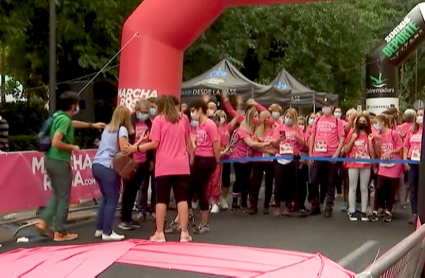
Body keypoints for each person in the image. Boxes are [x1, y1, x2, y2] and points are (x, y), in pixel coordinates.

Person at [35, 91, 105, 241]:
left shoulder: (58, 116)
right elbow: (56, 141)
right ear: (73, 105)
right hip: (60, 161)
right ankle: (60, 231)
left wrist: (91, 125)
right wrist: (73, 147)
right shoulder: (65, 120)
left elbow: (71, 124)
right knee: (64, 196)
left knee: (58, 194)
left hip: (50, 160)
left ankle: (43, 222)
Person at [137, 95, 192, 243]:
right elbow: (188, 141)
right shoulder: (184, 119)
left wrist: (137, 147)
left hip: (164, 165)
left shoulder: (158, 120)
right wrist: (191, 157)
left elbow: (155, 143)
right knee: (182, 199)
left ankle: (160, 233)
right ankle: (184, 233)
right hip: (182, 164)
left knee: (161, 200)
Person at [92, 106, 143, 240]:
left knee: (106, 198)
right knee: (112, 199)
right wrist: (138, 143)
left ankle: (100, 228)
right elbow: (125, 150)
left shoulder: (108, 128)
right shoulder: (122, 130)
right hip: (108, 166)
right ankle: (107, 232)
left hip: (97, 164)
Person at [187, 99, 220, 233]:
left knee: (202, 191)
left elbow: (216, 145)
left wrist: (215, 162)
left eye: (193, 111)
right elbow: (193, 143)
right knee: (188, 190)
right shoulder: (197, 125)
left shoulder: (210, 124)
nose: (192, 114)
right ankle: (187, 217)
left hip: (207, 159)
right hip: (198, 158)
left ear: (200, 109)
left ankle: (204, 223)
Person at [119, 100, 153, 230]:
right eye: (142, 112)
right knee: (128, 191)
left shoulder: (150, 123)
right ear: (136, 110)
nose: (144, 114)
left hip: (143, 161)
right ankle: (124, 218)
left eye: (147, 112)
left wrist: (150, 160)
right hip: (130, 162)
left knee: (135, 190)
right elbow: (123, 144)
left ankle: (129, 217)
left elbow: (151, 143)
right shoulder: (128, 122)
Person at [308, 98, 345, 217]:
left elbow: (342, 139)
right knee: (313, 180)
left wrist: (336, 155)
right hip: (317, 154)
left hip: (331, 154)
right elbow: (312, 136)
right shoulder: (317, 120)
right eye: (323, 106)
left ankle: (329, 205)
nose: (325, 108)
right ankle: (315, 204)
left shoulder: (337, 121)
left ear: (332, 107)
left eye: (327, 106)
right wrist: (310, 154)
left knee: (330, 182)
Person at [230, 106, 270, 211]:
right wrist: (268, 143)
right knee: (239, 179)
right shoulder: (242, 128)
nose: (257, 118)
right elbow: (251, 143)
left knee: (247, 180)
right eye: (255, 116)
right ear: (250, 117)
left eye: (258, 116)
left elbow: (257, 145)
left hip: (249, 158)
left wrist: (269, 151)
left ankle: (243, 203)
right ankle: (234, 203)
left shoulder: (254, 129)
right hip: (238, 157)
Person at [370, 114, 403, 222]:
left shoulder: (393, 133)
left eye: (376, 123)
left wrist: (391, 152)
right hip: (383, 164)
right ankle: (375, 209)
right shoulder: (377, 135)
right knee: (379, 187)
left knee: (391, 188)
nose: (375, 125)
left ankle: (389, 210)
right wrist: (376, 141)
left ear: (383, 122)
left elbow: (400, 147)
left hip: (394, 164)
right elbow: (377, 152)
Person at [272, 108, 304, 216]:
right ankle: (277, 205)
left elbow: (303, 143)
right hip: (280, 157)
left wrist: (297, 136)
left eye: (291, 117)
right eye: (287, 117)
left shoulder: (298, 128)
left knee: (290, 184)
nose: (288, 119)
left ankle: (287, 205)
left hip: (292, 158)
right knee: (278, 182)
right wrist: (278, 140)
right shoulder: (279, 127)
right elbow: (274, 143)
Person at [343, 113, 375, 221]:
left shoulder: (369, 134)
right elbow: (346, 150)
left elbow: (372, 154)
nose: (362, 123)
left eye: (364, 121)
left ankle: (364, 211)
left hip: (366, 163)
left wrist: (370, 141)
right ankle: (352, 210)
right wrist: (352, 139)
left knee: (364, 188)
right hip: (352, 162)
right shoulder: (352, 132)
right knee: (352, 187)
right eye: (360, 121)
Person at [249, 110, 276, 215]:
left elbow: (277, 144)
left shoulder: (275, 129)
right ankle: (253, 205)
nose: (271, 119)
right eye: (268, 117)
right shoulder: (257, 130)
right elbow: (255, 145)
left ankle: (266, 206)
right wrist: (267, 150)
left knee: (269, 183)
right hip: (258, 159)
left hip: (270, 160)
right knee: (256, 183)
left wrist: (271, 150)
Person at [404, 108, 423, 224]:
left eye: (422, 115)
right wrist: (405, 160)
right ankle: (414, 213)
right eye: (418, 115)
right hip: (412, 161)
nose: (420, 117)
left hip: (422, 163)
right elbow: (406, 146)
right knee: (413, 188)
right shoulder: (412, 131)